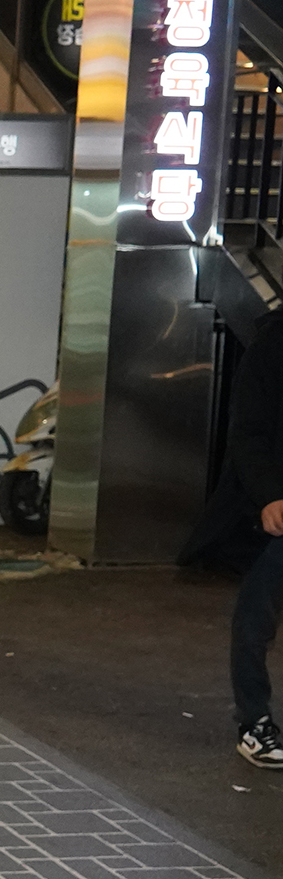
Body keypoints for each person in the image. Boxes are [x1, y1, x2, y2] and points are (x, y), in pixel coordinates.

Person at [180, 317, 283, 767]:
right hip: (276, 508)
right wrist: (270, 495)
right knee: (256, 616)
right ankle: (254, 722)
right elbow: (248, 429)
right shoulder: (275, 341)